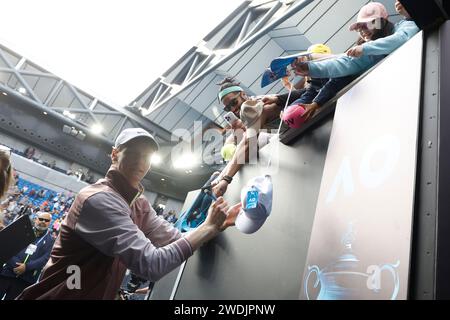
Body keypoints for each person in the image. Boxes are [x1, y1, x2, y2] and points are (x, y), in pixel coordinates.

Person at [18, 128, 241, 300]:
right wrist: (207, 227)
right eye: (133, 153)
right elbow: (152, 265)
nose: (141, 162)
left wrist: (216, 226)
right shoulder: (99, 200)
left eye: (147, 157)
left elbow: (174, 239)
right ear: (115, 154)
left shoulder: (138, 203)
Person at [0, 212, 54, 300]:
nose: (43, 221)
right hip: (7, 272)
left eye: (46, 220)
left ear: (50, 222)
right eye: (41, 219)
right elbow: (8, 247)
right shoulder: (21, 231)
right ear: (36, 219)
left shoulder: (51, 241)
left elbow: (45, 258)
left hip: (25, 279)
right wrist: (15, 264)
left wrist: (26, 267)